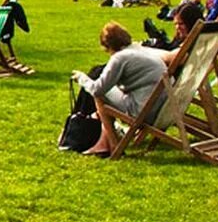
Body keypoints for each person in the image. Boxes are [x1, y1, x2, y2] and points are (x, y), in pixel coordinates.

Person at [72, 22, 169, 158]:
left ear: (108, 46)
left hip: (145, 112)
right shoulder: (140, 49)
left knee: (99, 96)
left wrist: (82, 78)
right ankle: (106, 140)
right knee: (110, 92)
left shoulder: (120, 58)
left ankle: (113, 144)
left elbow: (97, 89)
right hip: (164, 107)